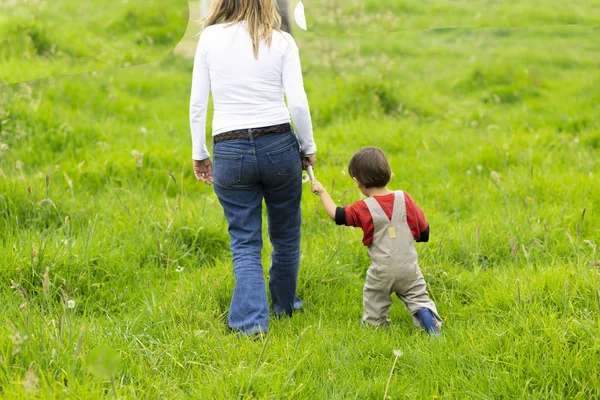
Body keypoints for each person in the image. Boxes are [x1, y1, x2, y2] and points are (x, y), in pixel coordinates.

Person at [189, 0, 317, 337]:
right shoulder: (283, 41)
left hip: (229, 149)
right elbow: (299, 103)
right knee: (286, 233)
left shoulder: (210, 38)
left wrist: (200, 152)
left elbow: (198, 103)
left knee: (244, 240)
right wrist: (308, 147)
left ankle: (250, 324)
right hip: (278, 145)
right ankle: (284, 306)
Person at [310, 147, 442, 335]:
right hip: (409, 267)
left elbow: (337, 215)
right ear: (389, 173)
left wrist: (323, 193)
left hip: (382, 271)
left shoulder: (363, 208)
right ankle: (429, 323)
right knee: (419, 297)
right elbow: (424, 231)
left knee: (375, 299)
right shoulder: (405, 198)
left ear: (357, 182)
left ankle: (375, 327)